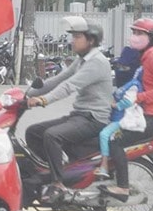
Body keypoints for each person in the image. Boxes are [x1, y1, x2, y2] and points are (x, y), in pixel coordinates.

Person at [25, 16, 113, 192]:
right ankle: (58, 168)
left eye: (77, 37)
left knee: (52, 135)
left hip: (94, 118)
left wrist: (43, 100)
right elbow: (58, 79)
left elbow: (69, 86)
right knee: (33, 133)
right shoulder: (82, 60)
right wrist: (26, 94)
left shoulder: (97, 62)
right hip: (80, 116)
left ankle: (58, 183)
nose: (72, 41)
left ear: (91, 40)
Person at [103, 18, 153, 200]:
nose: (134, 37)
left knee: (115, 142)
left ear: (151, 38)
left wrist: (138, 98)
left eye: (139, 33)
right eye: (134, 32)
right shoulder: (146, 55)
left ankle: (123, 187)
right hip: (149, 113)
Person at [94, 67, 144, 182]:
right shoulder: (131, 83)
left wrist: (114, 105)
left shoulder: (134, 85)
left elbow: (127, 102)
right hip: (115, 117)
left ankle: (104, 165)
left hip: (122, 119)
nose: (120, 69)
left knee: (104, 135)